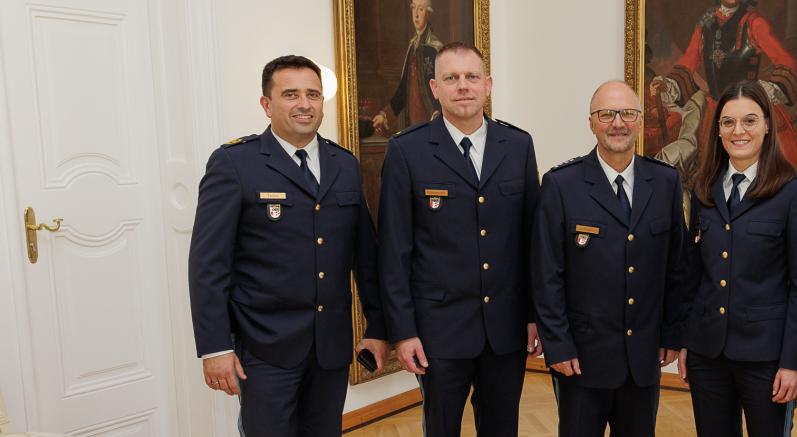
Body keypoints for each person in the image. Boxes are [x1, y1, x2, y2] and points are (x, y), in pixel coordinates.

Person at [188, 55, 389, 437]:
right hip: (265, 348)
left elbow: (365, 257)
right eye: (291, 94)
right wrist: (214, 348)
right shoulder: (235, 163)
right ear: (267, 104)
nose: (304, 104)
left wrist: (377, 327)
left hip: (330, 347)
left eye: (313, 94)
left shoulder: (343, 164)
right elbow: (208, 265)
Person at [378, 42, 541, 437]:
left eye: (471, 77)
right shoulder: (407, 150)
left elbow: (534, 243)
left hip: (506, 328)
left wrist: (537, 316)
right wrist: (403, 331)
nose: (462, 86)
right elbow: (394, 251)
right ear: (435, 87)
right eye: (451, 78)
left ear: (488, 85)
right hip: (439, 330)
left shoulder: (518, 146)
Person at [531, 80, 689, 437]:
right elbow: (546, 274)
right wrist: (557, 344)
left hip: (643, 356)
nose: (617, 122)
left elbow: (677, 267)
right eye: (606, 114)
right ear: (591, 122)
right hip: (581, 359)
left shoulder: (664, 182)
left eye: (627, 114)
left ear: (638, 121)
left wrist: (672, 333)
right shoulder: (561, 185)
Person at [676, 80, 797, 437]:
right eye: (728, 122)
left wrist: (793, 361)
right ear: (718, 130)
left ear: (767, 125)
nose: (738, 131)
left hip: (766, 359)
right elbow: (694, 275)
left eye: (749, 121)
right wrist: (686, 342)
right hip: (708, 354)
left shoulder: (795, 190)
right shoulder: (704, 188)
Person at [676, 0, 797, 164]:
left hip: (749, 112)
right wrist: (668, 84)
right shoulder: (705, 24)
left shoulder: (753, 23)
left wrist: (774, 88)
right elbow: (688, 60)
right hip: (715, 111)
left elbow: (786, 61)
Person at [372, 0, 443, 136]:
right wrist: (384, 115)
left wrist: (437, 113)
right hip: (412, 123)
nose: (416, 14)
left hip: (432, 122)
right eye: (413, 8)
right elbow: (403, 89)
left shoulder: (434, 48)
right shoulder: (412, 46)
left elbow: (443, 89)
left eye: (421, 9)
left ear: (428, 14)